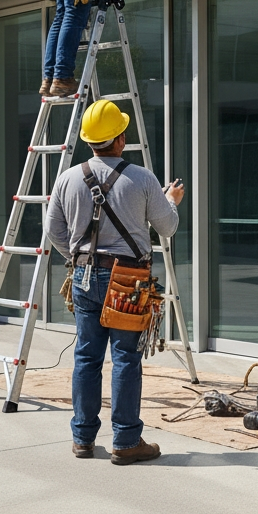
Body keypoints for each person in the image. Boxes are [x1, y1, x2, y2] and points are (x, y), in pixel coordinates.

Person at [44, 99, 185, 465]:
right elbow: (167, 228)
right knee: (125, 358)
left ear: (89, 141)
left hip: (83, 275)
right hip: (129, 281)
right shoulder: (142, 178)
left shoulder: (67, 179)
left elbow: (53, 230)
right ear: (120, 139)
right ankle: (125, 441)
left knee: (86, 357)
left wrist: (78, 256)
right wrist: (170, 201)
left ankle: (83, 438)